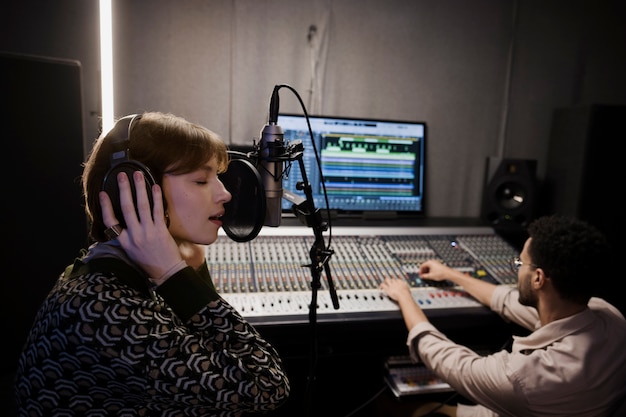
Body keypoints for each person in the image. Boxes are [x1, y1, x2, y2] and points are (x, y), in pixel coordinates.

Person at [14, 112, 290, 416]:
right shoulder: (99, 308)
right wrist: (176, 276)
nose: (225, 193)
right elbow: (265, 385)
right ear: (134, 190)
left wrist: (188, 267)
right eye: (200, 179)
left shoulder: (121, 271)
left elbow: (208, 349)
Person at [380, 215, 626, 417]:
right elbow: (507, 300)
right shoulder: (610, 316)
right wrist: (451, 274)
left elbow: (446, 359)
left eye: (520, 264)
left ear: (538, 278)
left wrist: (404, 296)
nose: (517, 269)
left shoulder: (525, 378)